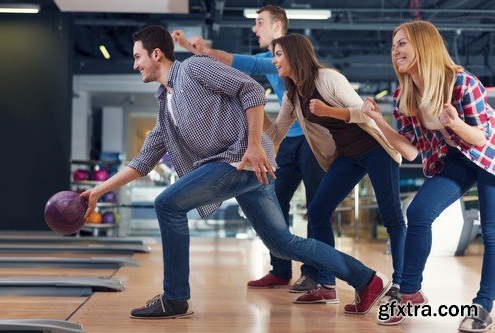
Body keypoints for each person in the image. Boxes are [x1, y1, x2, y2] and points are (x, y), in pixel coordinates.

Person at [80, 25, 391, 319]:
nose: (135, 64)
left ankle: (174, 298)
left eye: (138, 56)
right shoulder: (165, 103)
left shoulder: (194, 68)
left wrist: (254, 144)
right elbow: (143, 161)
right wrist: (97, 191)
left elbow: (252, 90)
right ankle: (366, 279)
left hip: (238, 161)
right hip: (244, 170)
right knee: (281, 243)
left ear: (157, 54)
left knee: (167, 204)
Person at [172, 5, 327, 294]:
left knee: (317, 208)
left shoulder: (288, 54)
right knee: (276, 202)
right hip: (289, 141)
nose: (255, 29)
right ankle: (280, 270)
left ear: (278, 25)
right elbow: (234, 64)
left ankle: (316, 274)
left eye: (260, 23)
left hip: (312, 139)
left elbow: (245, 65)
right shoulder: (269, 58)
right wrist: (189, 47)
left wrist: (203, 49)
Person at [362, 20, 494, 330]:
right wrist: (377, 122)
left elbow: (480, 139)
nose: (395, 51)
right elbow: (410, 151)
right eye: (393, 45)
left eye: (403, 43)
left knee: (490, 232)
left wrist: (455, 124)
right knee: (419, 212)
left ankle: (483, 305)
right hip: (456, 160)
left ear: (424, 45)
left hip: (488, 157)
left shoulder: (461, 83)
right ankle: (410, 292)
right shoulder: (404, 96)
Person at [264, 33, 406, 307]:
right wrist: (256, 122)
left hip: (376, 150)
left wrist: (328, 111)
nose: (274, 60)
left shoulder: (328, 78)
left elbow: (364, 113)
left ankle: (401, 283)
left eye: (279, 54)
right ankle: (327, 283)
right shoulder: (293, 94)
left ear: (294, 55)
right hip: (348, 156)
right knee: (317, 211)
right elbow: (278, 131)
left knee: (391, 217)